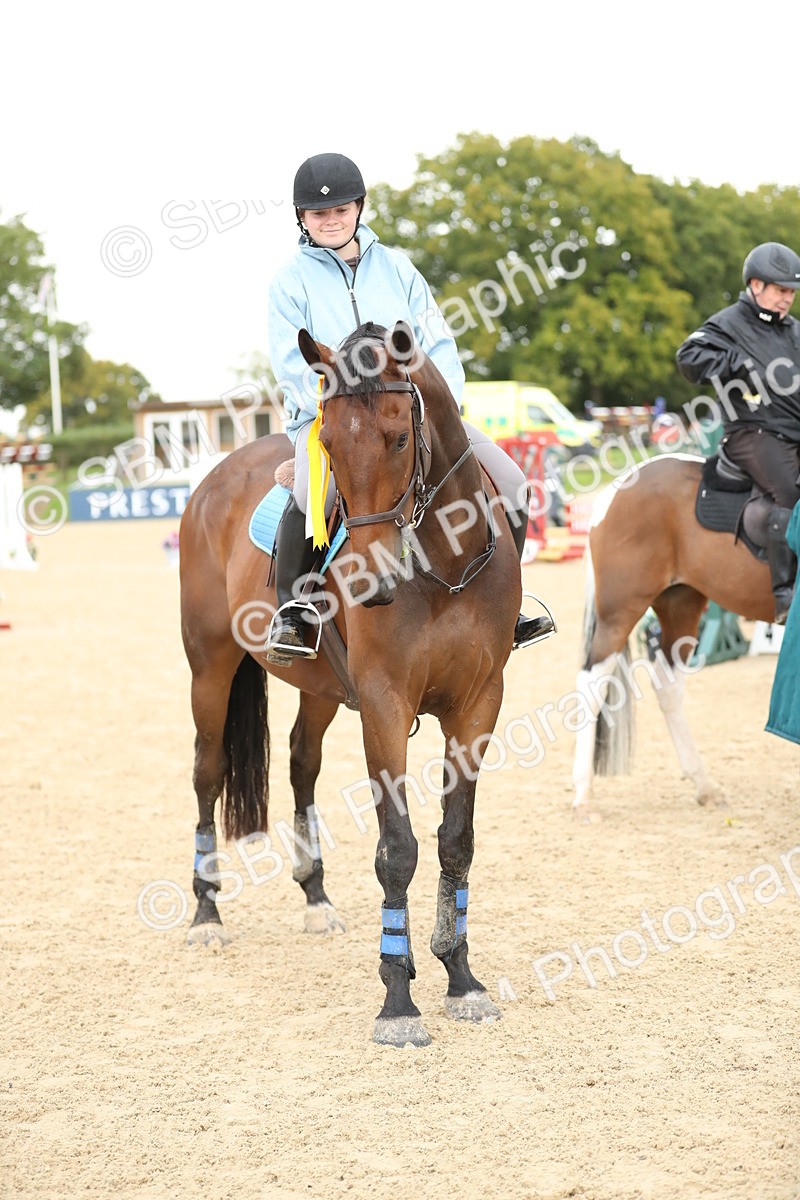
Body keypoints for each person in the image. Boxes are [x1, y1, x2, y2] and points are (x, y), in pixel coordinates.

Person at [265, 151, 555, 664]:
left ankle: (510, 606)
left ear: (359, 208)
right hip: (337, 417)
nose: (330, 221)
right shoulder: (290, 282)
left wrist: (442, 406)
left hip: (413, 413)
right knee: (312, 496)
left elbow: (435, 340)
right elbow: (294, 360)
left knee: (511, 481)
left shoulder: (397, 266)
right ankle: (297, 609)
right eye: (318, 214)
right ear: (302, 219)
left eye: (340, 211)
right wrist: (343, 399)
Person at [675, 241, 800, 624]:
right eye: (781, 291)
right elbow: (688, 357)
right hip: (752, 433)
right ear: (756, 285)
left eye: (791, 293)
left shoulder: (793, 330)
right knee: (790, 492)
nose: (787, 300)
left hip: (792, 432)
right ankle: (784, 596)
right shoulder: (727, 323)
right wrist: (733, 362)